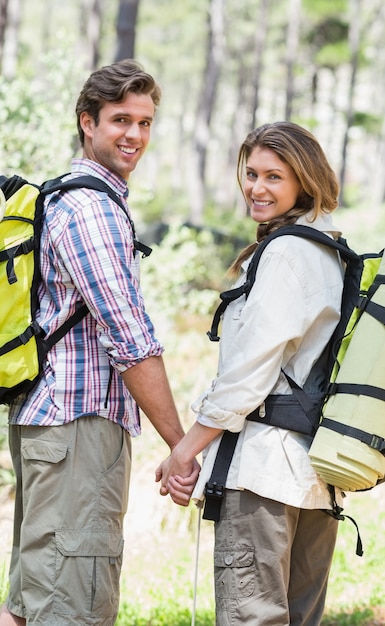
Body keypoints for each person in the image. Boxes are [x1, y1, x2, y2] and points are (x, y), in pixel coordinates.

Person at [0, 59, 199, 626]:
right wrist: (180, 445)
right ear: (88, 122)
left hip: (54, 427)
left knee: (30, 602)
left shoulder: (70, 196)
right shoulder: (92, 209)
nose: (135, 135)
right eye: (120, 120)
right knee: (73, 607)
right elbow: (130, 339)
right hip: (76, 428)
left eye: (145, 122)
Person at [156, 121, 345, 626]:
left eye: (274, 177)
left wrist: (185, 449)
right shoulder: (331, 250)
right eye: (252, 173)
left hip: (263, 476)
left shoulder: (284, 253)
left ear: (304, 182)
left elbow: (247, 376)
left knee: (253, 618)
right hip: (316, 476)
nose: (257, 188)